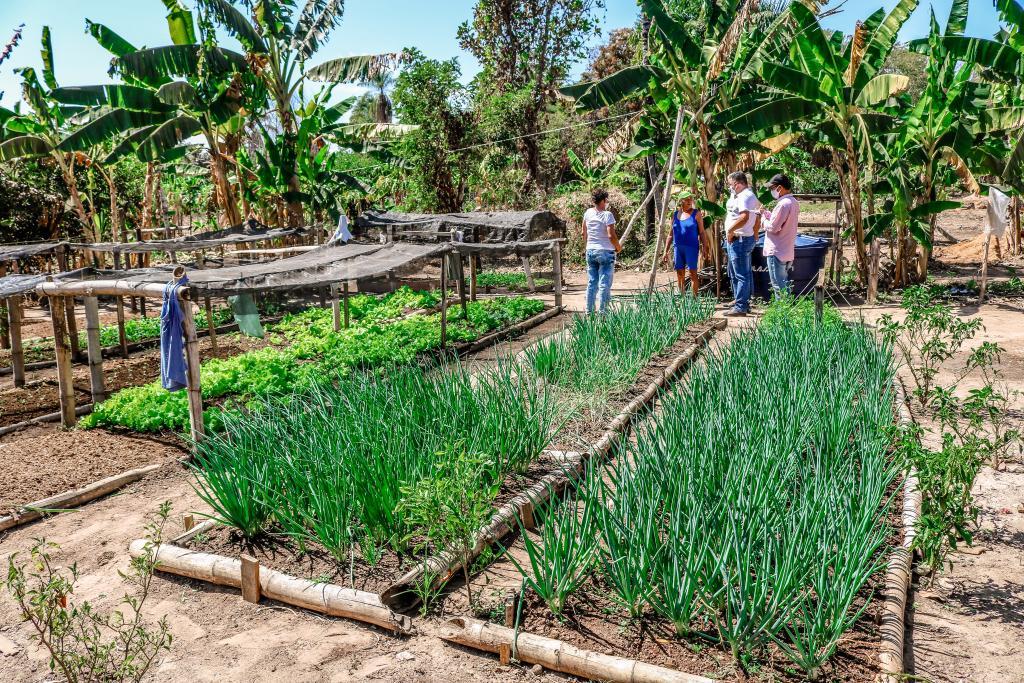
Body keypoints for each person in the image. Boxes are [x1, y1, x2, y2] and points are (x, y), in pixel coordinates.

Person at [723, 171, 761, 317]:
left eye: (730, 184)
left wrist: (730, 230)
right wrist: (755, 232)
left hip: (739, 239)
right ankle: (742, 301)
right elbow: (758, 214)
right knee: (739, 273)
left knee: (741, 275)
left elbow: (744, 217)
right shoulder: (748, 195)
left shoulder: (744, 196)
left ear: (737, 184)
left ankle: (741, 306)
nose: (729, 187)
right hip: (741, 239)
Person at [661, 186, 710, 296]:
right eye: (686, 199)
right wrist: (665, 251)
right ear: (681, 201)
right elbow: (670, 235)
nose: (689, 201)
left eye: (690, 199)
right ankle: (682, 298)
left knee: (692, 273)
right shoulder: (675, 215)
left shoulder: (696, 214)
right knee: (680, 273)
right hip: (678, 248)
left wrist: (705, 247)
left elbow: (702, 232)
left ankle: (694, 300)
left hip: (691, 248)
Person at [760, 173, 800, 296]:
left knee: (778, 286)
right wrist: (768, 215)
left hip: (776, 250)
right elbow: (781, 222)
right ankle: (786, 307)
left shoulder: (783, 204)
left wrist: (763, 218)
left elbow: (773, 227)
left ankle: (782, 308)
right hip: (786, 250)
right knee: (784, 283)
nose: (771, 191)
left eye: (772, 188)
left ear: (780, 188)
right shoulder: (793, 202)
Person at [583, 189, 622, 313]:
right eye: (606, 200)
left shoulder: (588, 213)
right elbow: (611, 236)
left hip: (590, 250)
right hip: (605, 251)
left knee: (592, 282)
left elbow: (584, 233)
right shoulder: (607, 215)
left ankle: (589, 311)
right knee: (604, 283)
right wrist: (618, 247)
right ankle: (603, 312)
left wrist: (588, 246)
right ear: (603, 200)